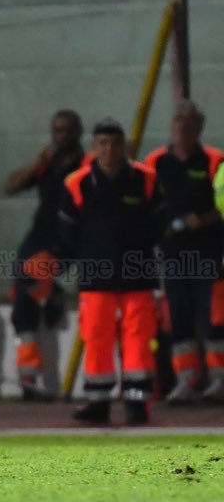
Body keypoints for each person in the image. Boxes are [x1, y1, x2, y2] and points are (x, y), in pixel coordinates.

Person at [59, 118, 163, 424]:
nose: (110, 149)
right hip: (95, 278)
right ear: (94, 147)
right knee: (97, 339)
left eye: (115, 142)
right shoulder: (77, 183)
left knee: (139, 340)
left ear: (125, 146)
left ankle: (136, 403)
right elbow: (67, 232)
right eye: (103, 143)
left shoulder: (146, 179)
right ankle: (99, 403)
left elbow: (160, 225)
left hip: (138, 276)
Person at [4, 109, 87, 400]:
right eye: (57, 130)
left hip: (68, 238)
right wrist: (36, 165)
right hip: (41, 234)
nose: (62, 136)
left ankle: (50, 293)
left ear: (78, 133)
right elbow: (10, 187)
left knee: (31, 275)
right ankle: (28, 375)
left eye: (67, 130)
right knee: (21, 289)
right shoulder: (47, 164)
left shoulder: (86, 165)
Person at [146, 100, 224, 403]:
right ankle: (187, 380)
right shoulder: (155, 162)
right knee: (177, 318)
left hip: (210, 255)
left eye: (191, 121)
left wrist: (200, 220)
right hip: (172, 256)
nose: (184, 125)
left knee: (217, 318)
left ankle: (219, 380)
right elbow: (145, 203)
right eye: (179, 119)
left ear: (200, 127)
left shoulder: (214, 160)